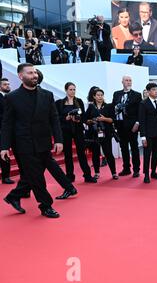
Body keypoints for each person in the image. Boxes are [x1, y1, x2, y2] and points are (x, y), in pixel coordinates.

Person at [1, 64, 65, 218]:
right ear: (21, 76)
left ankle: (14, 196)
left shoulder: (47, 95)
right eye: (30, 73)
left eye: (35, 72)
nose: (34, 75)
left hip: (43, 141)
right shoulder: (12, 97)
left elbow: (54, 119)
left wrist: (58, 139)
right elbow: (7, 123)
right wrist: (4, 146)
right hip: (24, 143)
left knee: (32, 174)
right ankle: (46, 205)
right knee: (36, 176)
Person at [55, 83, 97, 183]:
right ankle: (70, 176)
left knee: (81, 153)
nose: (73, 91)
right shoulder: (59, 103)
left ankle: (87, 175)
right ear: (66, 90)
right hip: (65, 131)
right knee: (68, 154)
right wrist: (66, 118)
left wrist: (78, 119)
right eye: (71, 89)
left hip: (77, 129)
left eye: (74, 89)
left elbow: (83, 116)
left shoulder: (79, 101)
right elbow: (56, 118)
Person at [84, 88, 118, 180]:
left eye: (101, 95)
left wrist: (104, 119)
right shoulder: (91, 107)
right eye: (98, 95)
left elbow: (112, 120)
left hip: (106, 133)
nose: (100, 97)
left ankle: (114, 173)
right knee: (95, 154)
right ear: (94, 96)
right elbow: (85, 119)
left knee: (108, 153)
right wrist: (91, 121)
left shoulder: (109, 106)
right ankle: (97, 173)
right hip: (94, 134)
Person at [112, 76, 142, 177]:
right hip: (120, 125)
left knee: (134, 148)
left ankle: (136, 169)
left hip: (132, 126)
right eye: (127, 80)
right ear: (122, 82)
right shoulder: (116, 94)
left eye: (130, 80)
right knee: (123, 148)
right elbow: (113, 107)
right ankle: (126, 168)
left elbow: (139, 111)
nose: (129, 82)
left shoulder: (137, 95)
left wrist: (137, 123)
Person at [0, 78, 14, 184]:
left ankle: (6, 176)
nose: (8, 86)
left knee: (6, 153)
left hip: (9, 130)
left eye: (8, 84)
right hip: (1, 129)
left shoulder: (10, 97)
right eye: (5, 84)